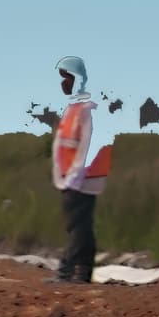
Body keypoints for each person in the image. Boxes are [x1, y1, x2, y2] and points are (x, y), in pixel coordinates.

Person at [47, 54, 112, 284]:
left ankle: (67, 271)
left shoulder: (87, 109)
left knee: (76, 226)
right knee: (81, 226)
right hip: (73, 178)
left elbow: (87, 145)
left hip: (81, 178)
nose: (63, 83)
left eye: (66, 78)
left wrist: (73, 179)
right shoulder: (74, 108)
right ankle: (82, 273)